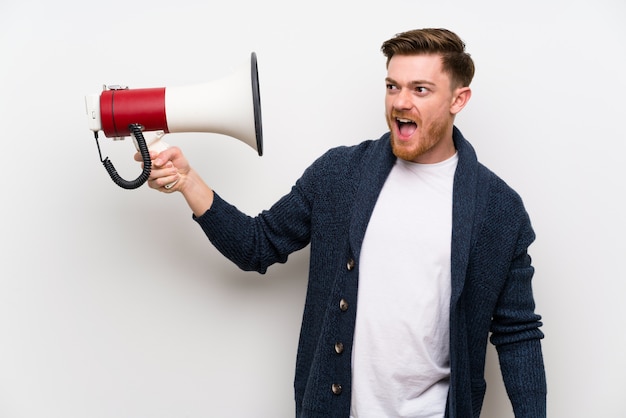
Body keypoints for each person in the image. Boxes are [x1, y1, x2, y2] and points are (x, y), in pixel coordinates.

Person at [136, 28, 547, 418]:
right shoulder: (339, 174)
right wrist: (189, 181)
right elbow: (256, 246)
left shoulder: (500, 210)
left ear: (459, 100)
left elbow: (518, 334)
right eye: (392, 86)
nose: (400, 102)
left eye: (420, 89)